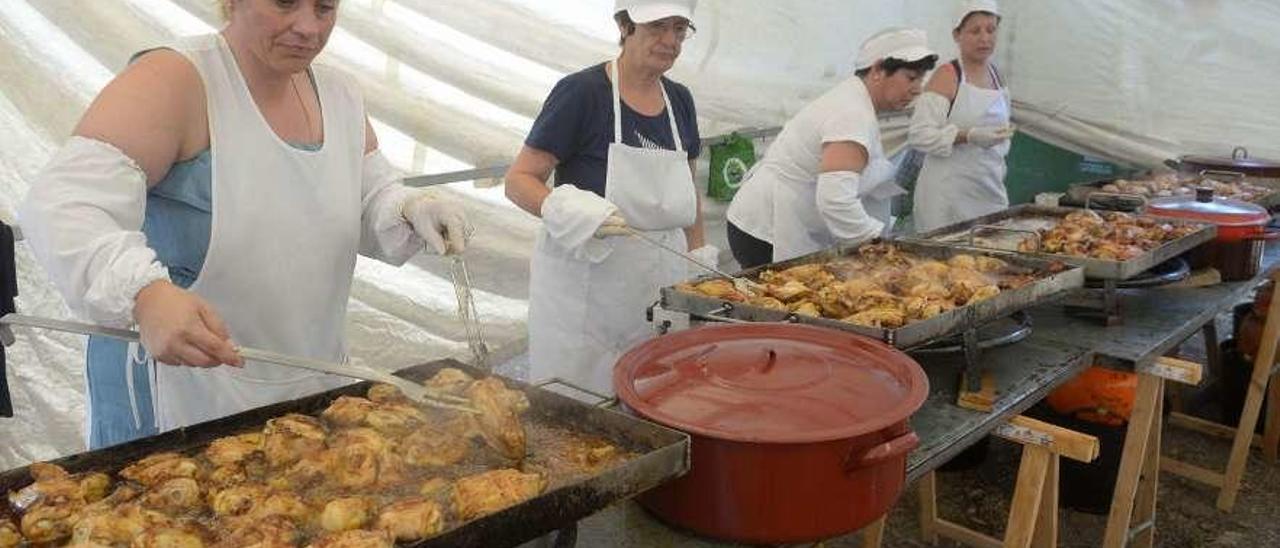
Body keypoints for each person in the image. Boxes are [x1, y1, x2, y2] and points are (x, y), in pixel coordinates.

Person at [19, 0, 469, 448]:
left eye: (325, 7)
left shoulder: (340, 93)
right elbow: (63, 202)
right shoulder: (176, 80)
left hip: (307, 377)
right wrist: (146, 295)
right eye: (285, 3)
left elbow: (366, 194)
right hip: (181, 392)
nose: (308, 27)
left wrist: (410, 206)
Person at [504, 0, 713, 396]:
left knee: (654, 402)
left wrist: (699, 261)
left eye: (680, 28)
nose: (670, 40)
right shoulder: (582, 94)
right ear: (625, 24)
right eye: (657, 27)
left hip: (657, 290)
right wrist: (562, 207)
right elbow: (519, 180)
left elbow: (689, 191)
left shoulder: (680, 101)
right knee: (582, 415)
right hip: (587, 300)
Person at [726, 28, 938, 267]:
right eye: (911, 77)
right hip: (766, 230)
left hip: (768, 221)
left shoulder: (856, 101)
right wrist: (880, 247)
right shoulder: (851, 115)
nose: (918, 88)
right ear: (878, 70)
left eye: (921, 79)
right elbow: (836, 201)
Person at [908, 0, 1013, 233]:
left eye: (991, 29)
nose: (985, 38)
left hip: (988, 186)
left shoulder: (997, 75)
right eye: (975, 31)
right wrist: (969, 136)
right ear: (957, 35)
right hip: (947, 196)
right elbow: (919, 135)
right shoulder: (947, 75)